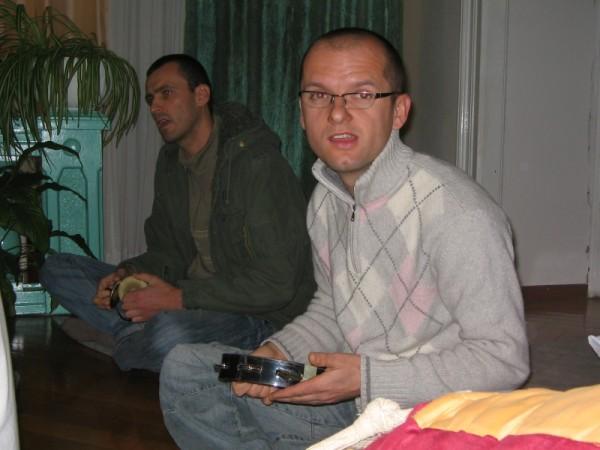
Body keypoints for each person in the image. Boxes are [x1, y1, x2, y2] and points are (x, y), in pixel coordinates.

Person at [158, 28, 530, 449]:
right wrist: (279, 351)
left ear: (399, 111)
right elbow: (334, 308)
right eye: (319, 95)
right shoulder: (325, 200)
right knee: (189, 369)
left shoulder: (459, 212)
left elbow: (504, 359)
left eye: (362, 94)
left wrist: (367, 379)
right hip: (353, 398)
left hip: (424, 420)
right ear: (302, 113)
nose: (337, 114)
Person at [39, 54, 315, 372]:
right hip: (189, 297)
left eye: (166, 93)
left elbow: (277, 284)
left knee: (168, 334)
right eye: (151, 99)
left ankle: (130, 337)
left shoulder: (257, 164)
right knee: (56, 268)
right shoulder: (170, 162)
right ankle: (137, 335)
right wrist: (126, 273)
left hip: (255, 315)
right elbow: (167, 252)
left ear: (201, 95)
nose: (155, 107)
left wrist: (177, 298)